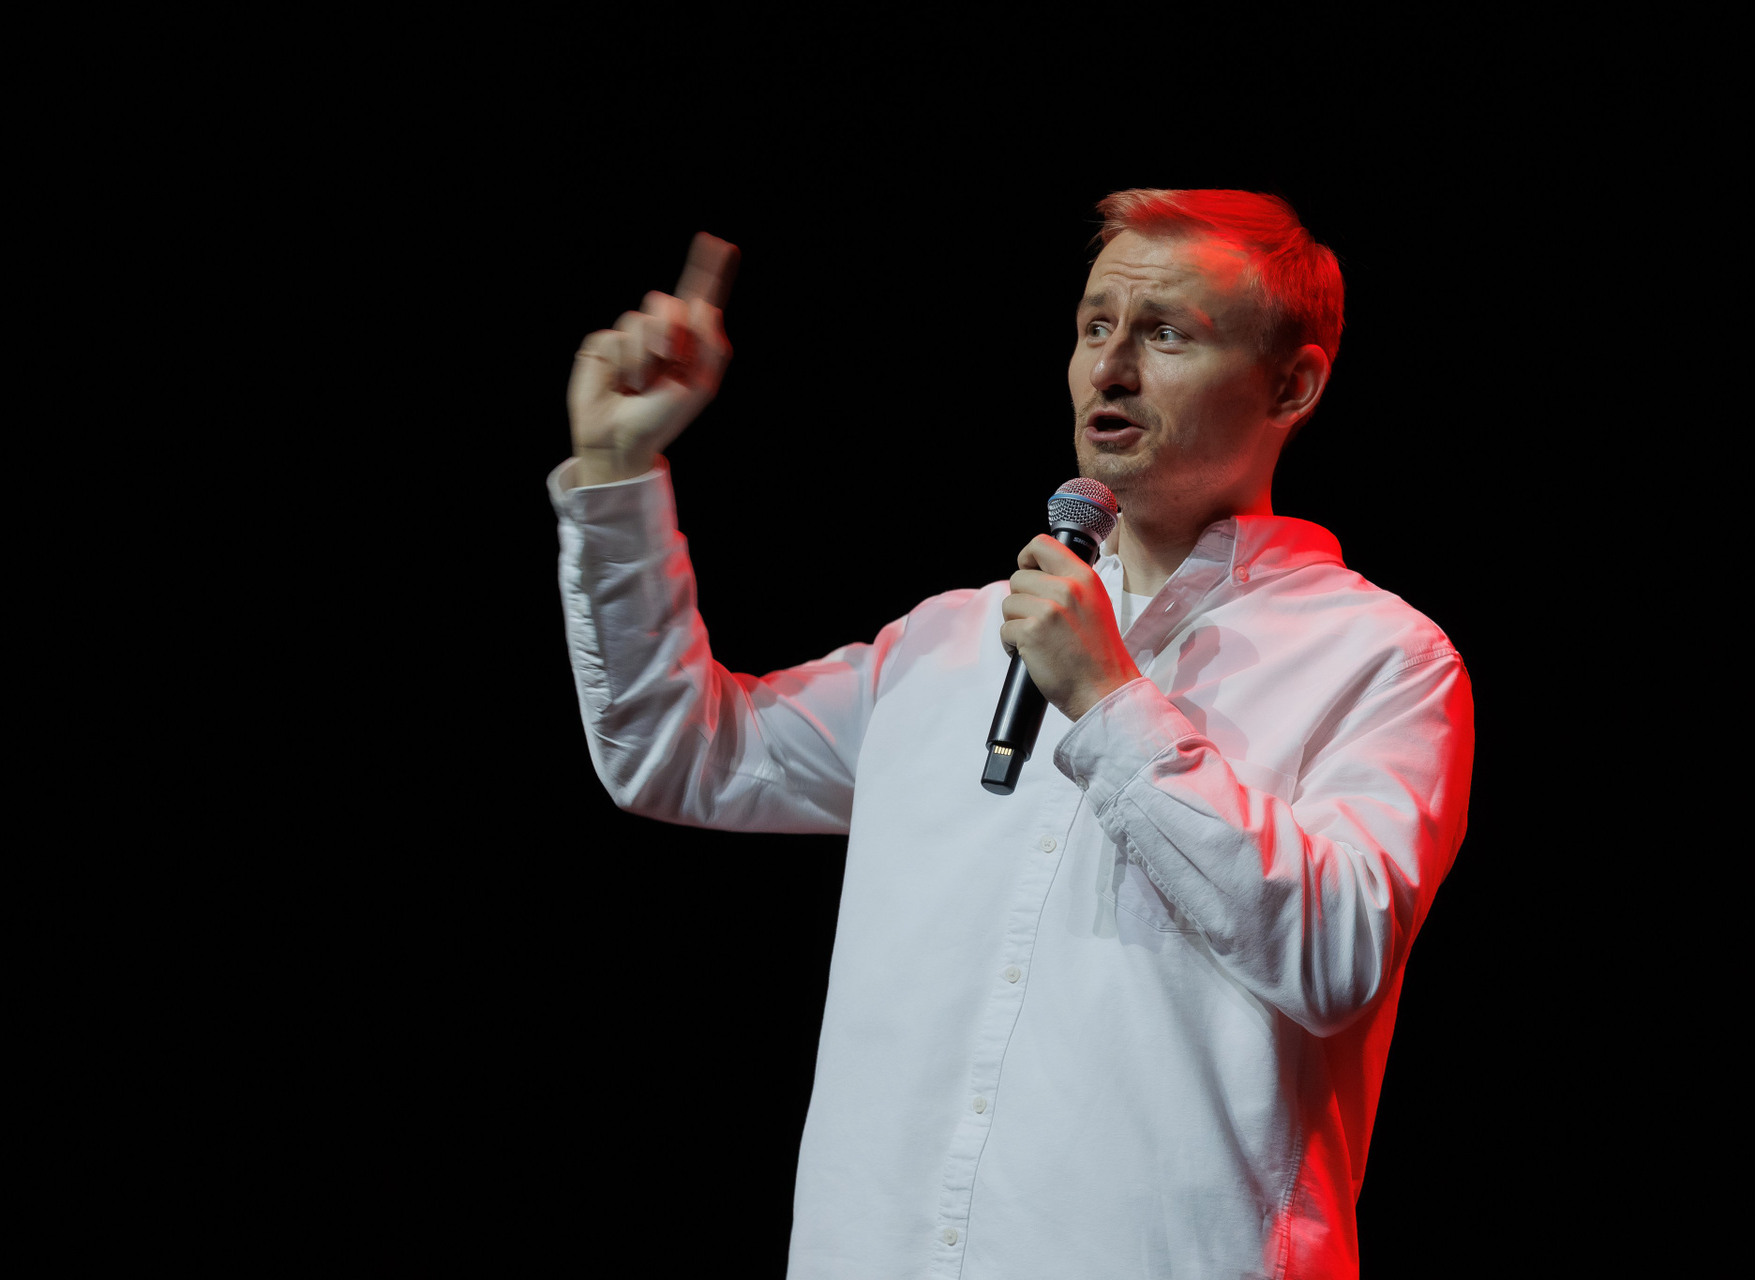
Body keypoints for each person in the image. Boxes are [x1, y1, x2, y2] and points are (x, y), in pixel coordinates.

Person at [548, 190, 1473, 1279]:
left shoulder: (1382, 658)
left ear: (1293, 384)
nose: (1109, 368)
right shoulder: (950, 642)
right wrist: (614, 474)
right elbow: (676, 751)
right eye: (1094, 325)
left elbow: (1336, 956)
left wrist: (1111, 703)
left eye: (1165, 332)